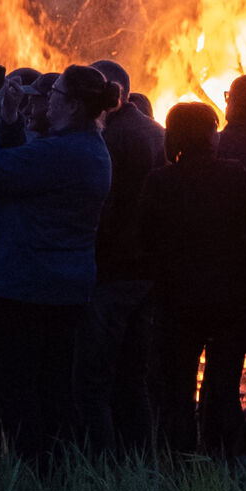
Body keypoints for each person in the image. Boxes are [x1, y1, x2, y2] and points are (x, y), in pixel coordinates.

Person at [0, 64, 115, 468]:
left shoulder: (64, 152)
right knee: (53, 390)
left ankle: (34, 475)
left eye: (54, 95)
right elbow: (27, 165)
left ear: (69, 103)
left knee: (19, 392)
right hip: (63, 288)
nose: (47, 99)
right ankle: (57, 475)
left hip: (22, 288)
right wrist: (13, 122)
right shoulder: (86, 148)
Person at [143, 97, 246, 457]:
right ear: (209, 135)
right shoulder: (233, 174)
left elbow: (147, 238)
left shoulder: (160, 181)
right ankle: (227, 459)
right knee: (224, 388)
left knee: (177, 390)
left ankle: (178, 461)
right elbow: (245, 226)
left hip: (177, 302)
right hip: (228, 299)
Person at [81, 67, 165, 456]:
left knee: (95, 379)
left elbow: (105, 208)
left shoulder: (110, 138)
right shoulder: (155, 131)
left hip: (114, 270)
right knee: (135, 378)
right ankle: (141, 463)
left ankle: (101, 465)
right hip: (146, 270)